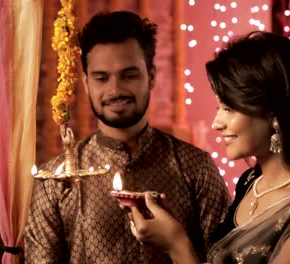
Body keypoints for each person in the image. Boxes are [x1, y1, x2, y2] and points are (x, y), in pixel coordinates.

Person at [24, 11, 231, 264]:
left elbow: (223, 258)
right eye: (102, 78)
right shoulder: (54, 182)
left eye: (129, 75)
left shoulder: (195, 168)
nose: (115, 90)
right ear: (87, 83)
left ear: (151, 76)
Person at [130, 31, 290, 264]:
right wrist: (175, 227)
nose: (217, 123)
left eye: (228, 109)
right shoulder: (250, 184)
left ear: (273, 115)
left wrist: (177, 245)